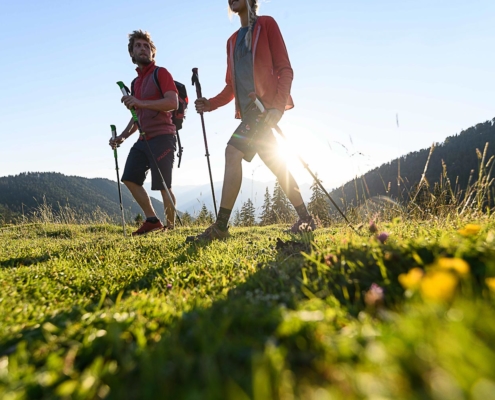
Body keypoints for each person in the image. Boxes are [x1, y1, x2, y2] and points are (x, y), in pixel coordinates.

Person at [187, 0, 315, 242]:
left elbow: (285, 70)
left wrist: (277, 108)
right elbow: (231, 86)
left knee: (232, 151)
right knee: (279, 167)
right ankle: (306, 219)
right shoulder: (232, 41)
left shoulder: (266, 25)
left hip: (262, 110)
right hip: (249, 114)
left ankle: (221, 227)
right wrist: (210, 103)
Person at [109, 30, 179, 236]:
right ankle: (152, 220)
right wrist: (122, 136)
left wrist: (139, 101)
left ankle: (171, 228)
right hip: (143, 138)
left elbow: (172, 103)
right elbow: (136, 115)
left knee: (163, 185)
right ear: (132, 52)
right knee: (130, 177)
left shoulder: (161, 73)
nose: (143, 49)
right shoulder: (135, 83)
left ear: (152, 52)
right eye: (138, 46)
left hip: (163, 137)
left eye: (146, 46)